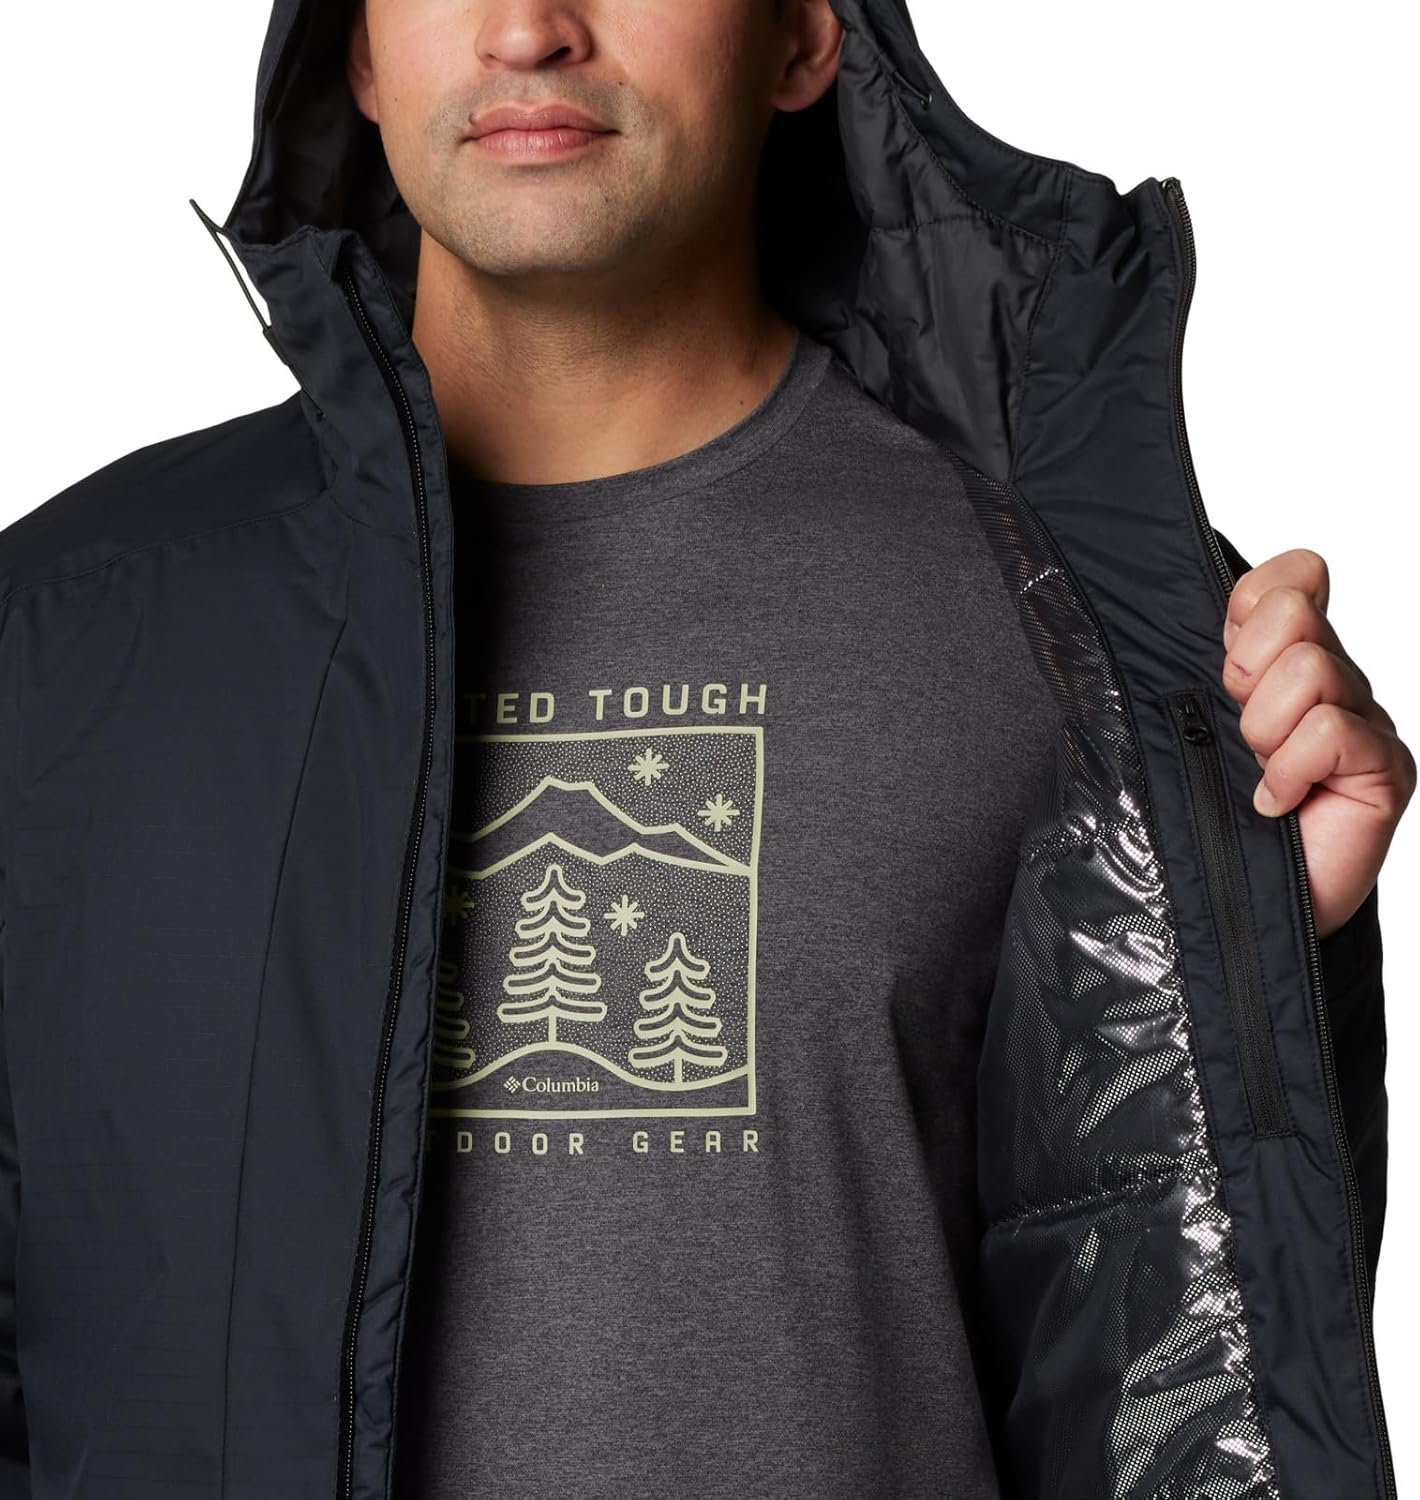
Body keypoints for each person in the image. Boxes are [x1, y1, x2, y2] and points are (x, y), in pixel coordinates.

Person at [0, 0, 1411, 1495]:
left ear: (803, 37)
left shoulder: (1077, 622)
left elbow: (1157, 1381)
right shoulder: (69, 636)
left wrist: (1249, 948)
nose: (527, 30)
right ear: (356, 49)